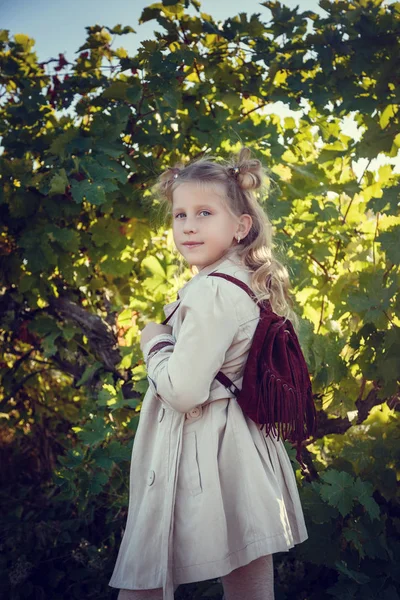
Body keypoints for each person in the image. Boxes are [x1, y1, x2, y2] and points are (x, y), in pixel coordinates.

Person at [108, 147, 309, 600]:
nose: (189, 225)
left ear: (240, 225)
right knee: (247, 573)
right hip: (239, 448)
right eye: (180, 215)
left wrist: (154, 341)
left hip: (206, 447)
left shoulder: (215, 291)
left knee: (146, 574)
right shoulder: (241, 279)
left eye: (204, 212)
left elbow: (182, 390)